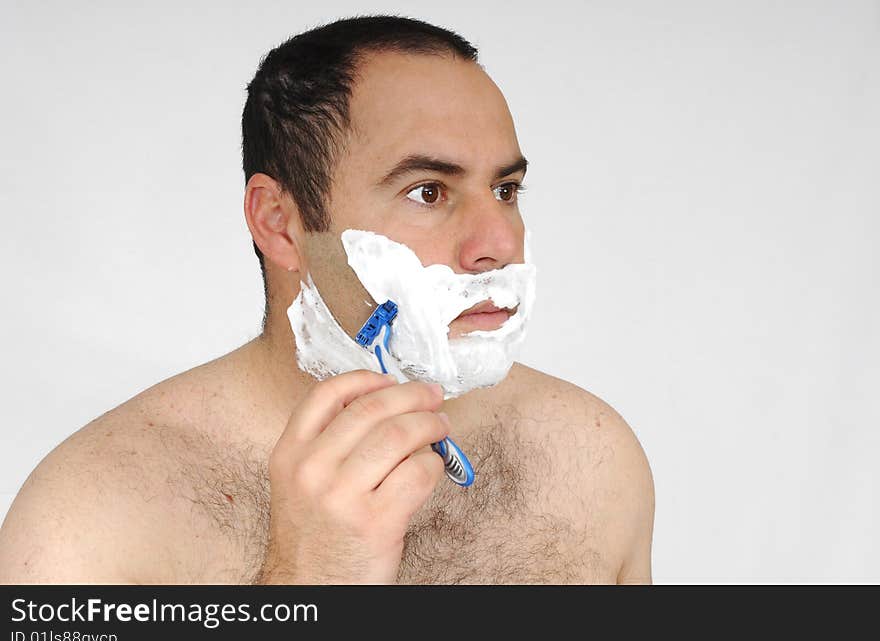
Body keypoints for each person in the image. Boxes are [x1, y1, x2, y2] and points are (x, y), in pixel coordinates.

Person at [0, 15, 654, 584]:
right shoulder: (89, 517)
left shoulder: (590, 459)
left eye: (506, 191)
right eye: (428, 191)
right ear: (281, 223)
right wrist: (307, 589)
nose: (497, 242)